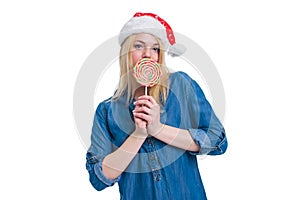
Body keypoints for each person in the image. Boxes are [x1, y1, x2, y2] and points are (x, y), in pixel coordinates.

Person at [86, 12, 228, 200]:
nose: (147, 54)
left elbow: (218, 141)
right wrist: (139, 134)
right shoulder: (107, 111)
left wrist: (158, 129)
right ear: (125, 52)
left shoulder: (181, 85)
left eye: (155, 48)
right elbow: (99, 178)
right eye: (138, 46)